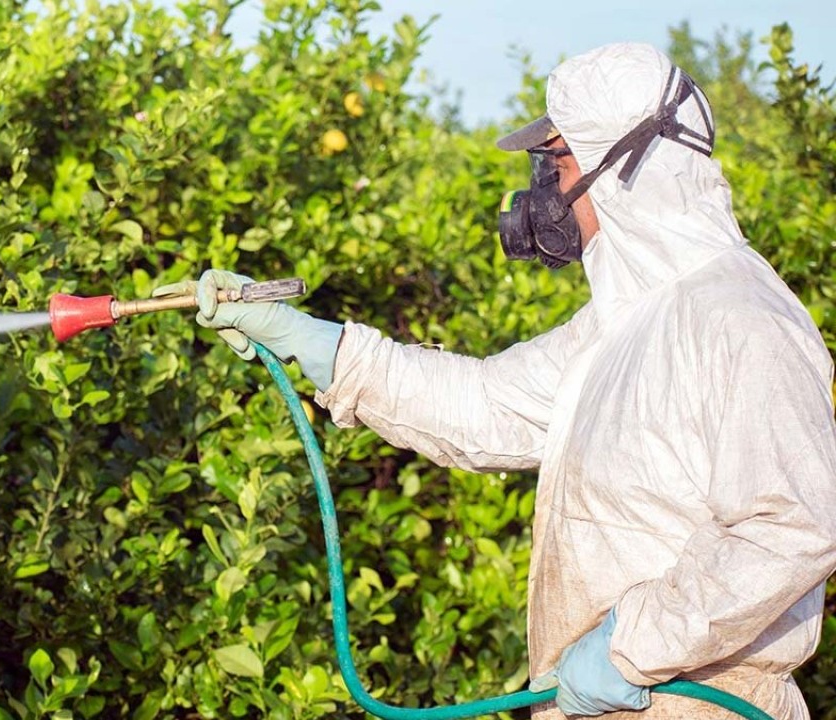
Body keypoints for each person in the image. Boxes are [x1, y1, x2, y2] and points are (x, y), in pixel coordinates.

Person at [154, 42, 836, 719]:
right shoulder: (623, 323)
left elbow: (792, 526)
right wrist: (317, 343)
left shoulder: (741, 318)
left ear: (620, 163)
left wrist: (634, 645)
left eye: (557, 161)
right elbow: (482, 406)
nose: (547, 189)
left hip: (701, 703)